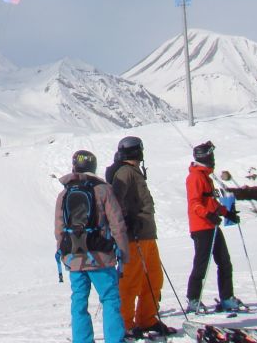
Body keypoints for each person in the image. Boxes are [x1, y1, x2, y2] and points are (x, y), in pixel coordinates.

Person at [55, 149, 130, 343]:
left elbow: (59, 228)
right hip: (100, 256)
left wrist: (64, 254)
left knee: (79, 301)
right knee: (110, 299)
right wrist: (122, 253)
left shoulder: (65, 193)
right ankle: (114, 339)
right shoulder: (103, 190)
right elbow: (117, 224)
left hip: (75, 257)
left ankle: (82, 340)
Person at [106, 137, 174, 339]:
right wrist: (127, 220)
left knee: (152, 278)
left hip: (146, 235)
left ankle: (146, 319)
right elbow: (115, 201)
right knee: (131, 281)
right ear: (137, 152)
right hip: (134, 236)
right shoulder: (125, 172)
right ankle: (124, 324)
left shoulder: (133, 171)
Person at [185, 141, 242, 313]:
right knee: (201, 264)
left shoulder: (205, 177)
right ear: (205, 157)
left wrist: (226, 213)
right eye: (211, 156)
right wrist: (208, 215)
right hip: (201, 227)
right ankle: (193, 299)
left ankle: (226, 298)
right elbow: (194, 204)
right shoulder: (195, 177)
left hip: (212, 225)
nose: (214, 159)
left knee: (224, 261)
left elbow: (210, 202)